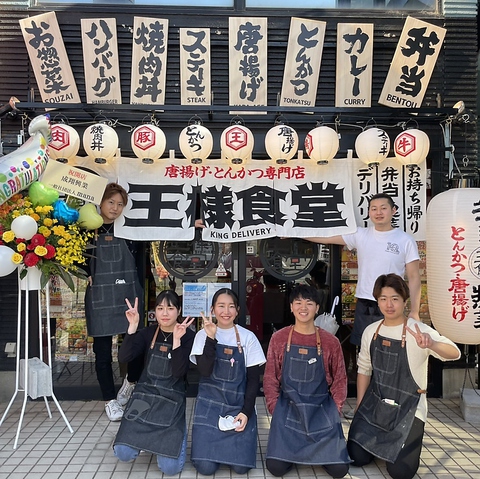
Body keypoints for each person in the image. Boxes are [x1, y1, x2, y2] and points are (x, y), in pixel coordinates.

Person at [347, 274, 460, 479]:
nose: (388, 304)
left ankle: (396, 447)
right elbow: (364, 369)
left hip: (409, 408)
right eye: (383, 299)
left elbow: (455, 353)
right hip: (375, 406)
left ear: (404, 301)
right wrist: (359, 405)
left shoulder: (419, 330)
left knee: (401, 472)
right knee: (355, 457)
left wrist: (431, 344)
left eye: (395, 298)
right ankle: (383, 446)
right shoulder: (371, 331)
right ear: (377, 301)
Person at [306, 193, 421, 347]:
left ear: (393, 210)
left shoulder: (405, 240)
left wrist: (415, 311)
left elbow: (414, 277)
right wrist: (295, 234)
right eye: (374, 209)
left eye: (383, 208)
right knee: (364, 350)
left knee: (390, 348)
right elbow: (327, 237)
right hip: (365, 304)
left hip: (392, 303)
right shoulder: (361, 235)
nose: (378, 212)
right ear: (369, 213)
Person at [263, 284, 350, 478]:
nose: (304, 308)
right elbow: (270, 378)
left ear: (317, 308)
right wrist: (275, 409)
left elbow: (340, 380)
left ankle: (309, 451)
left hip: (320, 412)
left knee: (339, 470)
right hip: (288, 411)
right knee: (276, 468)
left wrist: (334, 410)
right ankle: (296, 449)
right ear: (291, 306)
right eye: (298, 303)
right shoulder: (279, 338)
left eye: (309, 303)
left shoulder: (330, 342)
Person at [113, 290, 195, 475]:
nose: (165, 313)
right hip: (145, 398)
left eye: (170, 308)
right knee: (123, 453)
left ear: (178, 310)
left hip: (172, 401)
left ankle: (175, 437)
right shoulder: (147, 333)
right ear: (154, 311)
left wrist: (176, 341)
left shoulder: (188, 337)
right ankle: (146, 441)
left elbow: (178, 372)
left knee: (170, 469)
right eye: (160, 308)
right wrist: (132, 327)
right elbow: (124, 356)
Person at [189, 288, 266, 475]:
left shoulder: (248, 338)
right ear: (213, 309)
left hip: (238, 406)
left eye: (231, 306)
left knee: (241, 468)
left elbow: (253, 381)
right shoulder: (201, 336)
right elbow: (205, 371)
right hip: (210, 407)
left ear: (238, 310)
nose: (226, 311)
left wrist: (246, 412)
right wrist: (210, 338)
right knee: (205, 468)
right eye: (221, 306)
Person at [84, 182, 144, 421]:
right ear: (100, 202)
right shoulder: (86, 229)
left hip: (127, 294)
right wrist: (82, 272)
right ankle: (109, 400)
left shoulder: (129, 229)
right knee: (102, 353)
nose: (116, 208)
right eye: (111, 202)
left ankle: (130, 383)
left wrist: (191, 225)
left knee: (136, 345)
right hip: (99, 296)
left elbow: (158, 232)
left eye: (120, 204)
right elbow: (76, 259)